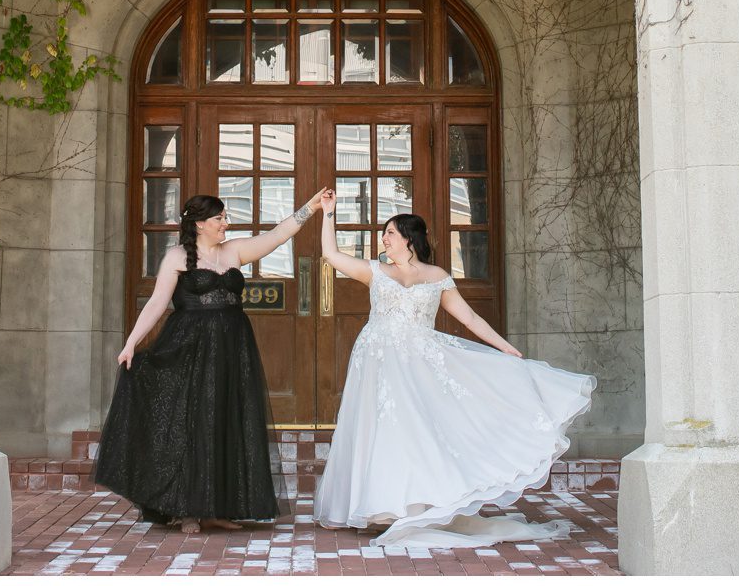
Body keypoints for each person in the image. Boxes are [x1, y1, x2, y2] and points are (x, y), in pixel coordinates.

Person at [311, 196, 596, 547]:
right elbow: (331, 256)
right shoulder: (375, 271)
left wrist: (503, 347)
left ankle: (412, 505)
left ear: (408, 239)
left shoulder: (438, 278)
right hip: (376, 363)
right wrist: (328, 215)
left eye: (389, 233)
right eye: (384, 234)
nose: (383, 239)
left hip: (419, 365)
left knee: (417, 431)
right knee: (376, 429)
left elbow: (470, 318)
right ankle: (377, 509)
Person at [95, 188, 330, 531]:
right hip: (189, 348)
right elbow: (158, 302)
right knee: (193, 422)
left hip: (233, 347)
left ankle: (217, 509)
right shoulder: (177, 257)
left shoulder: (234, 250)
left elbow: (278, 236)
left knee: (225, 420)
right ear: (200, 224)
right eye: (219, 218)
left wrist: (311, 207)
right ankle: (188, 508)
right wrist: (131, 343)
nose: (225, 223)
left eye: (224, 217)